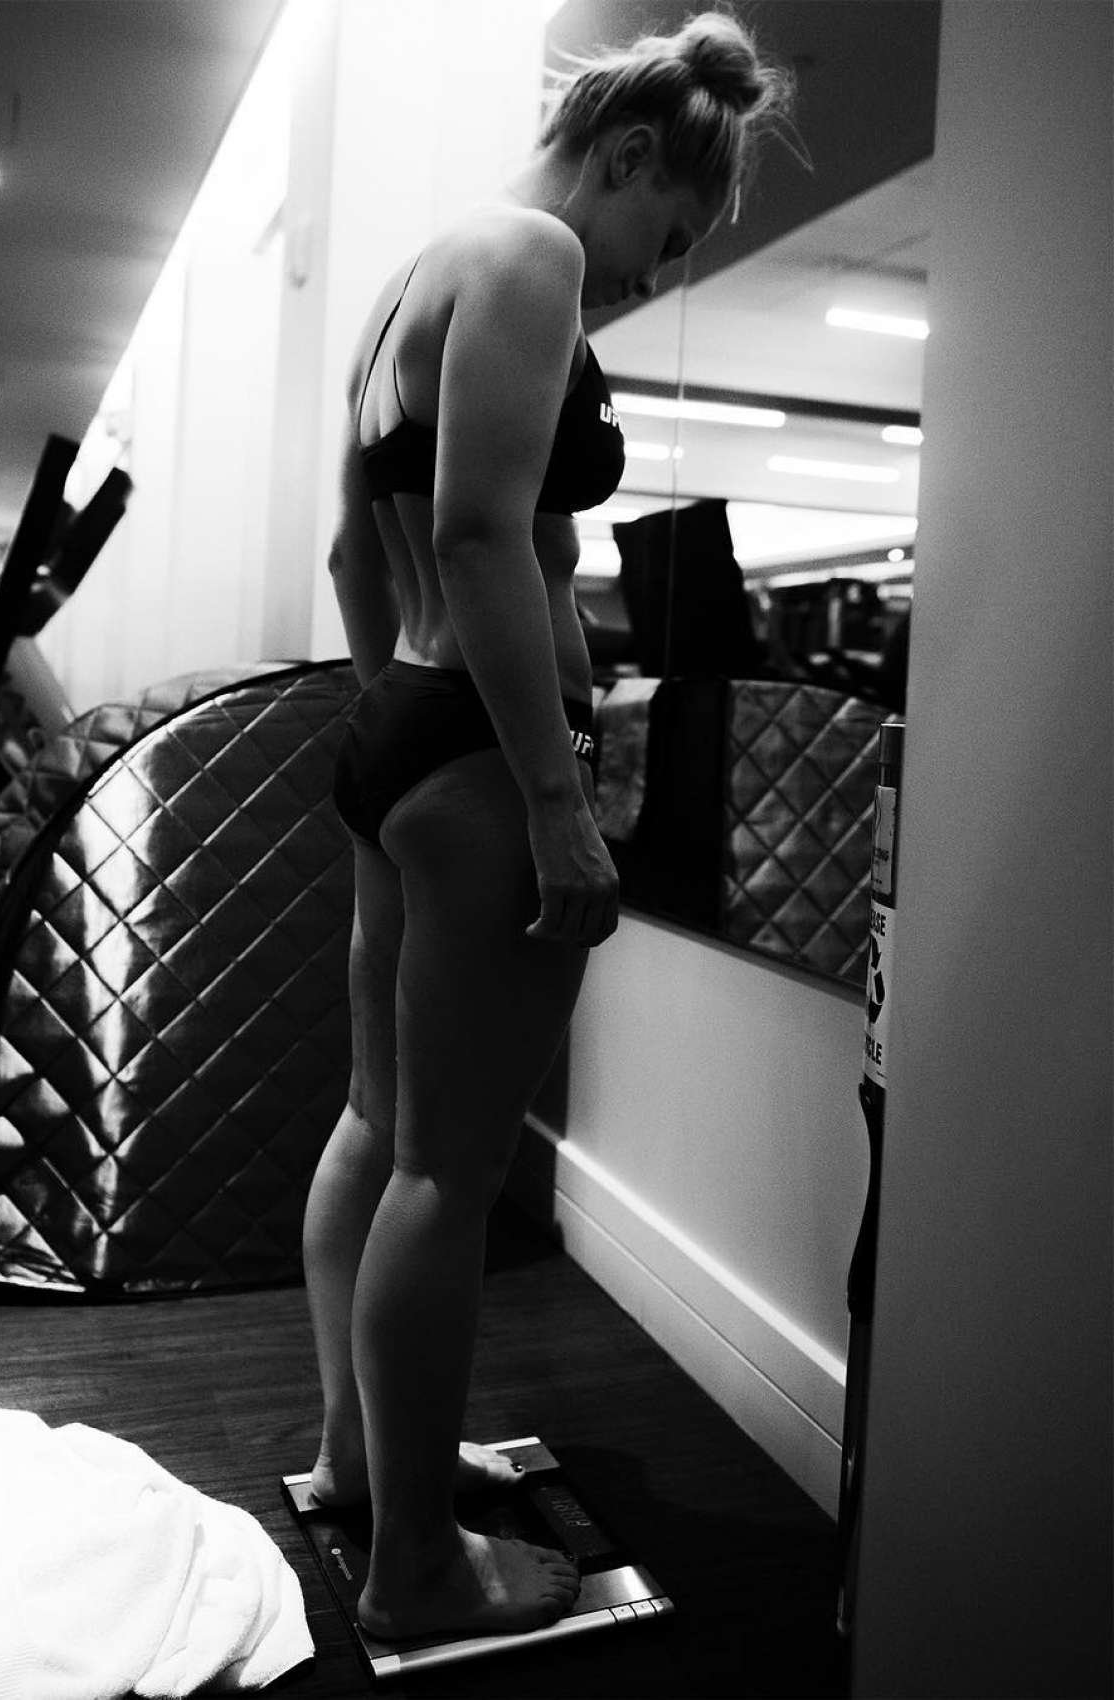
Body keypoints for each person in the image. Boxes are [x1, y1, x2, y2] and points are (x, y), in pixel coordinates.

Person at [303, 9, 792, 1645]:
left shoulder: (409, 282)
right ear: (631, 154)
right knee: (449, 1170)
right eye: (673, 236)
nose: (654, 275)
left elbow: (359, 558)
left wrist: (398, 726)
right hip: (479, 756)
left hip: (406, 728)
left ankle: (361, 1464)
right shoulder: (534, 256)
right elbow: (480, 534)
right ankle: (419, 1573)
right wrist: (554, 799)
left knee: (380, 1127)